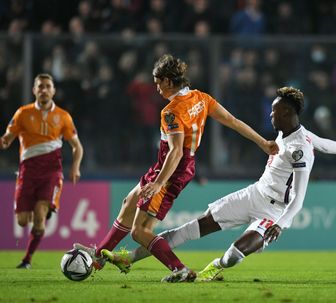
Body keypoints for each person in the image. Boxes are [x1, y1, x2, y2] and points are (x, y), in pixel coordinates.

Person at [101, 86, 336, 282]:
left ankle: (216, 266)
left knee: (235, 254)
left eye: (274, 110)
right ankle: (129, 258)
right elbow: (325, 143)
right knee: (192, 228)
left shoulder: (299, 150)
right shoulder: (292, 134)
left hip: (273, 212)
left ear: (286, 112)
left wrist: (281, 224)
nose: (270, 114)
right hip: (254, 194)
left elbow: (299, 196)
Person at [74, 54, 278, 281]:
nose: (157, 88)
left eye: (158, 83)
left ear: (169, 81)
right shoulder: (201, 98)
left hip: (170, 171)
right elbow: (232, 120)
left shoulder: (171, 112)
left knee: (140, 231)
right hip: (177, 168)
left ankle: (179, 269)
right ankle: (99, 257)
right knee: (128, 203)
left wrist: (159, 182)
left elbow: (176, 151)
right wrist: (263, 142)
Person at [1, 73, 84, 269]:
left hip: (51, 172)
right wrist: (4, 142)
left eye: (47, 86)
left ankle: (27, 259)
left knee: (38, 218)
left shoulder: (63, 116)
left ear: (53, 90)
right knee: (22, 221)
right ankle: (40, 210)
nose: (44, 90)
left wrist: (75, 167)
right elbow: (7, 137)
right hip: (27, 172)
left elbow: (77, 146)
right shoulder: (22, 113)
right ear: (34, 90)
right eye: (40, 86)